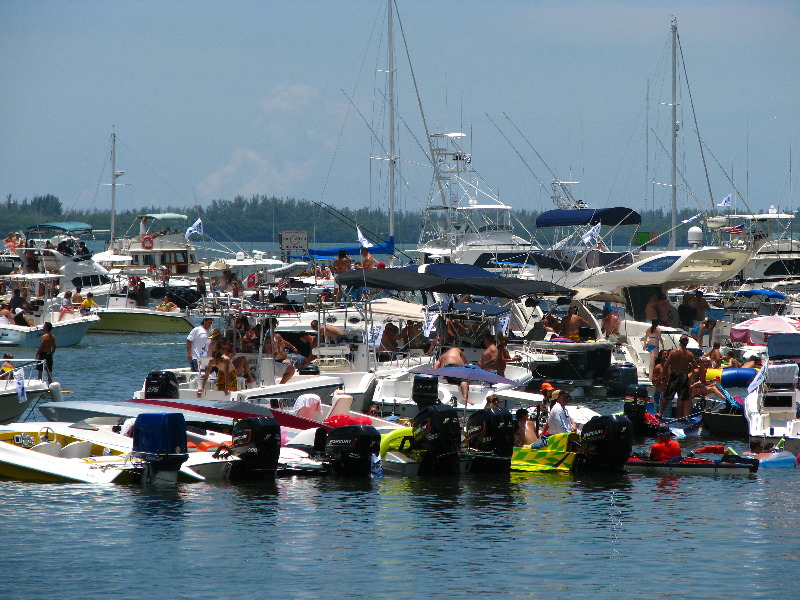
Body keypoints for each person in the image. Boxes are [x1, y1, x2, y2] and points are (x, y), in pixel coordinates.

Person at [657, 335, 699, 419]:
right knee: (681, 397)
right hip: (683, 375)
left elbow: (666, 364)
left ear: (679, 342)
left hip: (674, 375)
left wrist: (664, 375)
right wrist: (691, 376)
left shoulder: (673, 352)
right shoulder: (689, 354)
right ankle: (680, 416)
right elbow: (695, 367)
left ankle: (660, 413)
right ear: (687, 343)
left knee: (667, 395)